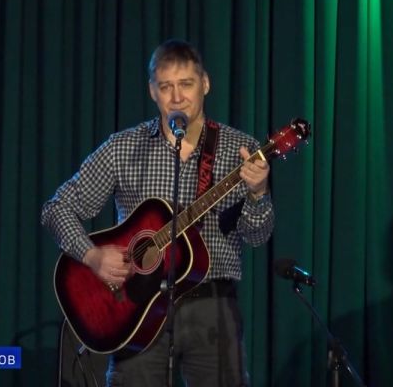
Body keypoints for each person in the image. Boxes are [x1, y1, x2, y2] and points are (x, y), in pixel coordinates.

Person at [41, 39, 274, 386]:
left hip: (211, 309)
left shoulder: (238, 149)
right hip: (134, 310)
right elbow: (56, 208)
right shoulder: (123, 147)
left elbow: (257, 236)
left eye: (186, 84)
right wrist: (91, 256)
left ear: (205, 84)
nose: (177, 97)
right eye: (166, 87)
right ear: (153, 91)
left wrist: (258, 193)